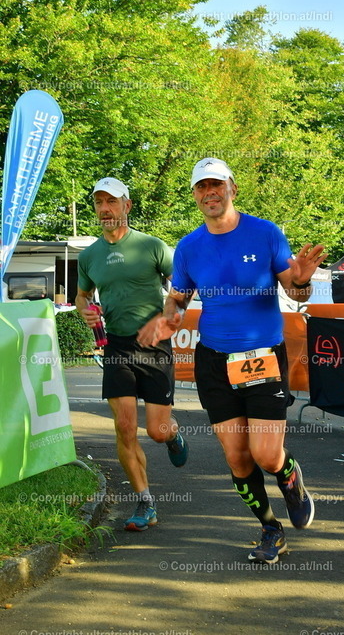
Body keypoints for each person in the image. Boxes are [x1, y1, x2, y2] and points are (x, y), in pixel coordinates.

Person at [139, 158, 327, 563]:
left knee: (266, 455)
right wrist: (167, 318)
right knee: (238, 458)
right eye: (201, 187)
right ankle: (270, 529)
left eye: (216, 185)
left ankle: (289, 476)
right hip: (214, 361)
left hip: (262, 356)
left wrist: (302, 280)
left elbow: (296, 294)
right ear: (195, 195)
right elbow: (179, 298)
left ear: (232, 188)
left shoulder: (265, 233)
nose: (209, 192)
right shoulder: (188, 247)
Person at [76, 176, 188, 532]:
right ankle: (145, 502)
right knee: (125, 427)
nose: (105, 209)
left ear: (127, 205)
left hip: (154, 346)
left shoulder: (152, 246)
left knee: (156, 430)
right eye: (99, 202)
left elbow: (182, 286)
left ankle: (172, 435)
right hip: (117, 347)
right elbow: (82, 296)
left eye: (112, 201)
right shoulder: (89, 256)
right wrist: (86, 310)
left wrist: (171, 314)